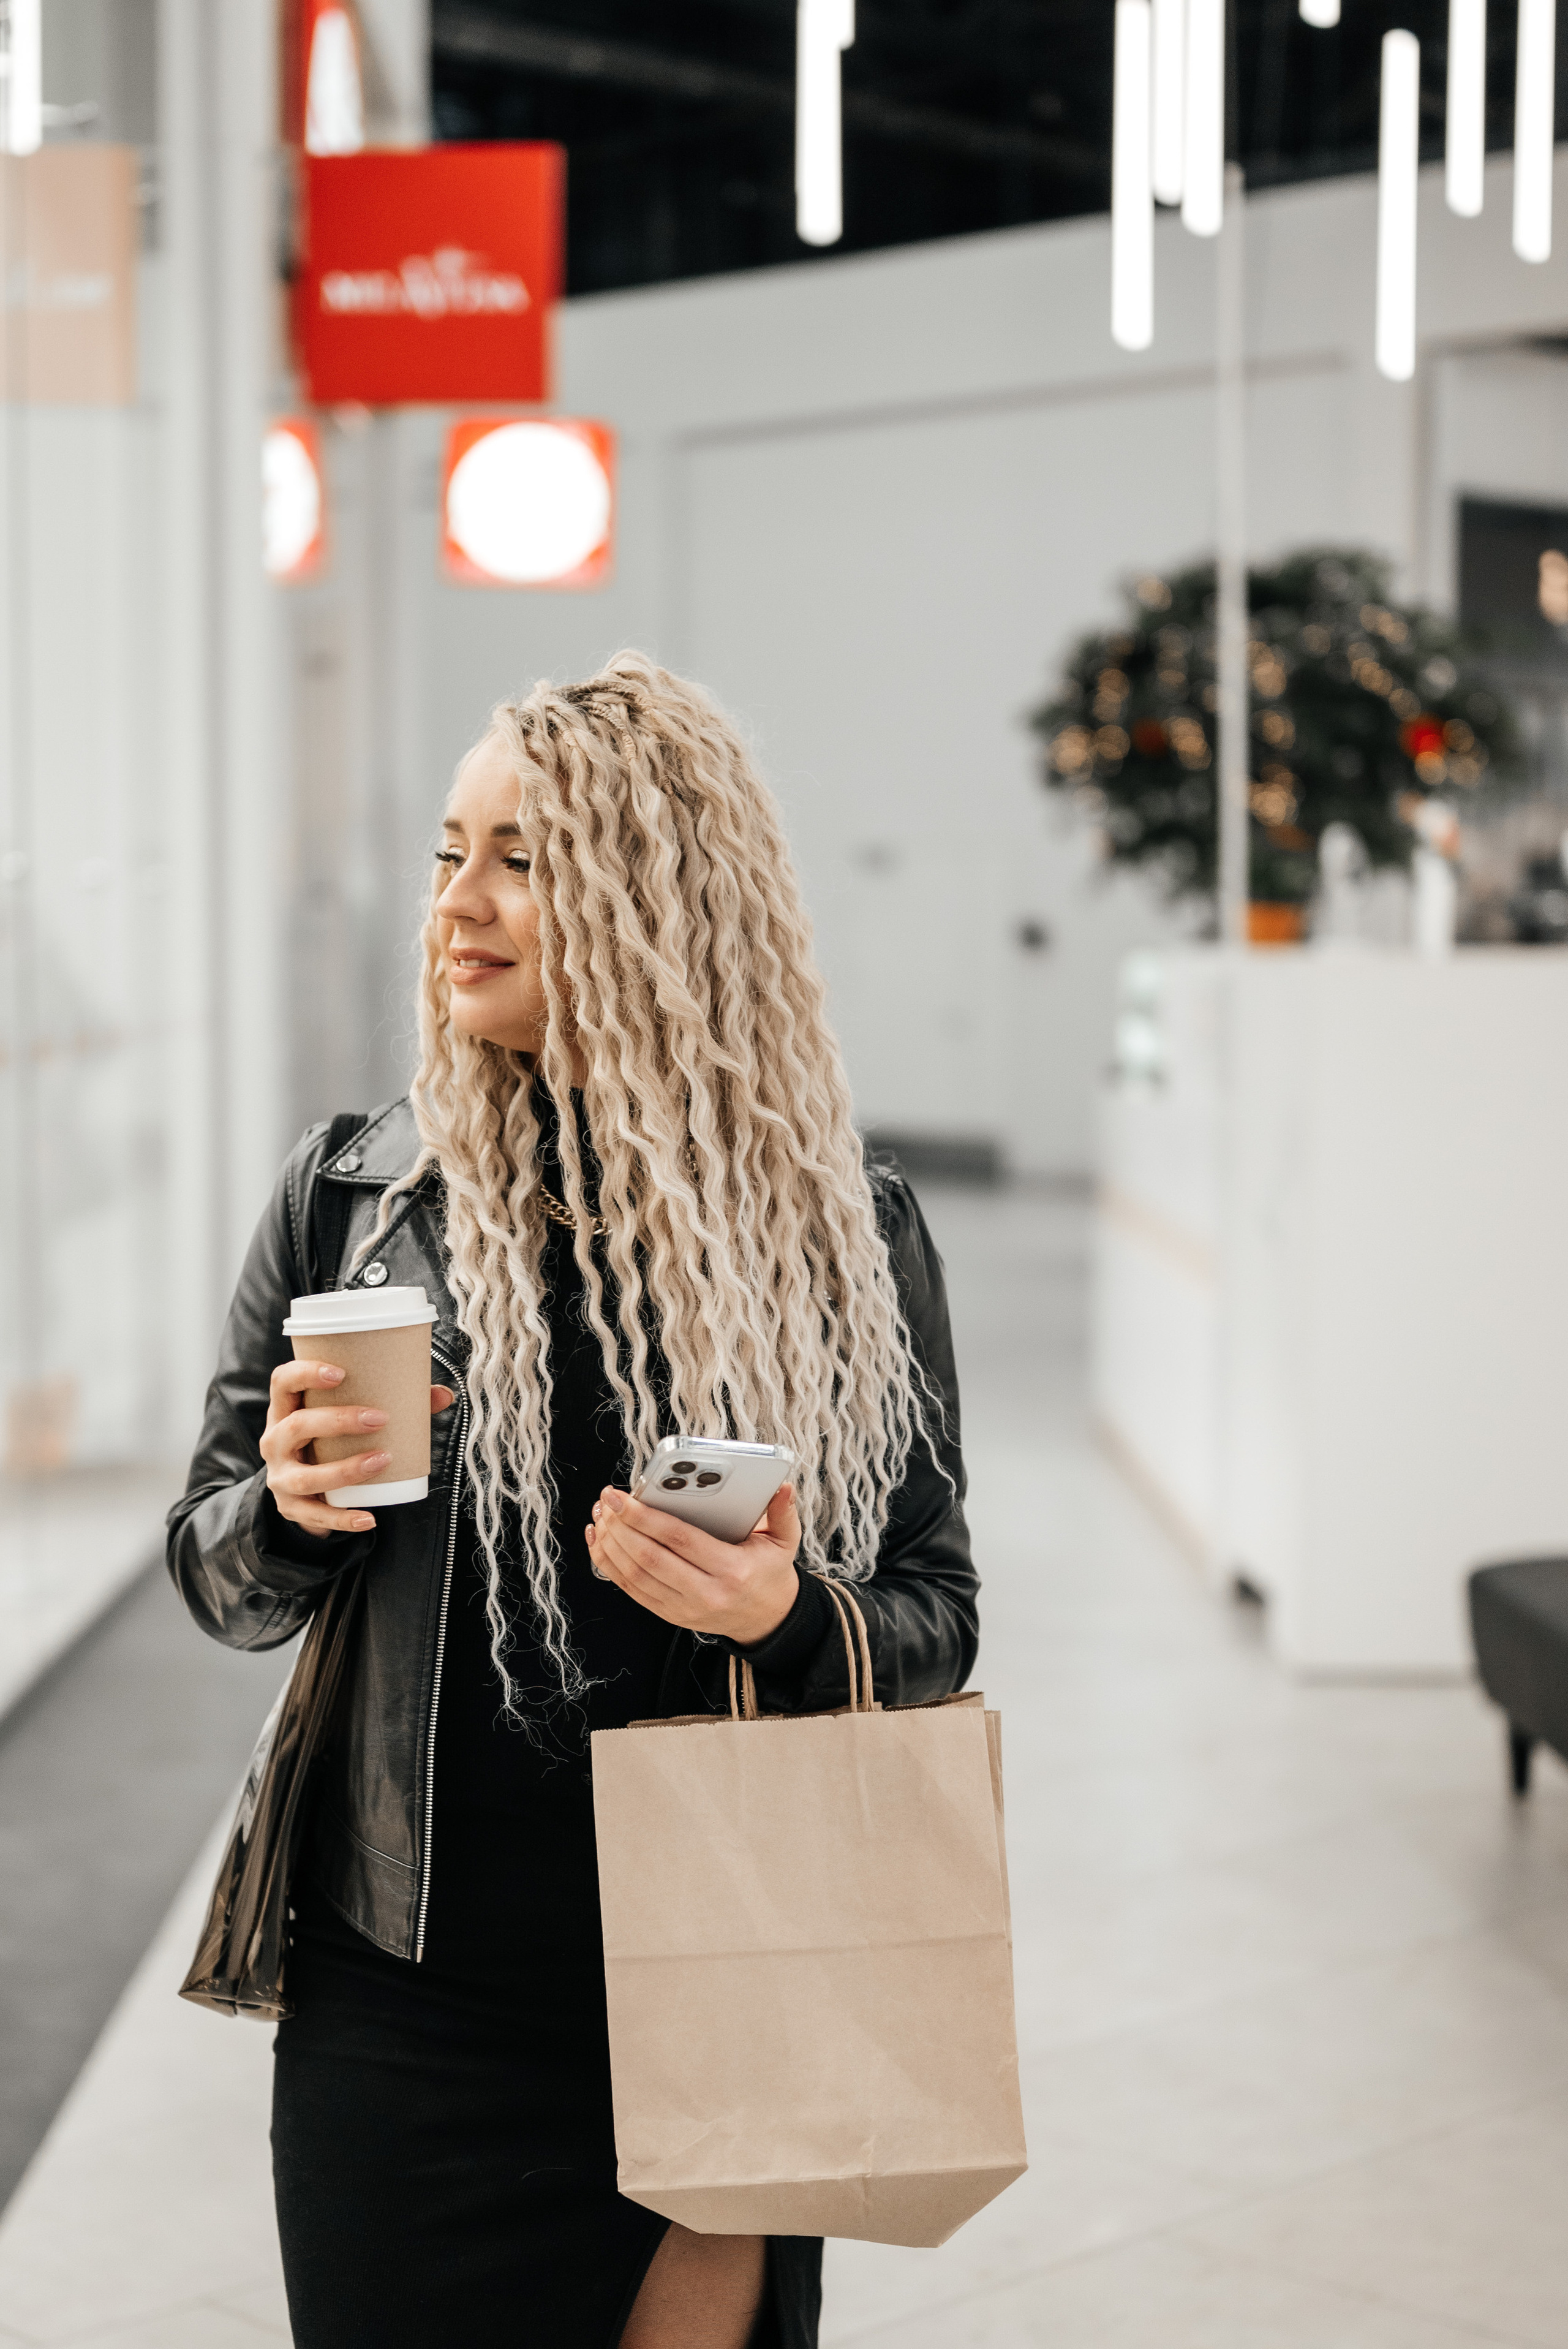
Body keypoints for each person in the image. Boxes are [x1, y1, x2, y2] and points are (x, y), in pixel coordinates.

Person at [167, 654, 978, 2349]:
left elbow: (934, 1607)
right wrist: (291, 1511)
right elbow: (214, 1572)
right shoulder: (352, 1199)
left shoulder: (842, 1237)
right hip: (402, 2008)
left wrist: (787, 1612)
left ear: (659, 901)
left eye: (521, 859)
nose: (457, 904)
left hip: (726, 1985)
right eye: (451, 853)